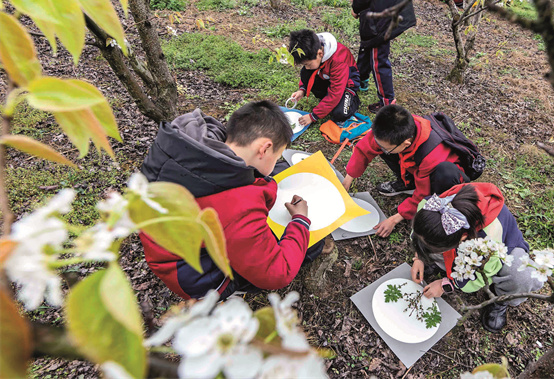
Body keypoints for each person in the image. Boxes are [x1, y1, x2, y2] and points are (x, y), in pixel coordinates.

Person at [139, 102, 323, 301]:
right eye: (276, 156)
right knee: (313, 245)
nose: (276, 161)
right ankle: (228, 291)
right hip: (197, 279)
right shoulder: (239, 206)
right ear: (264, 148)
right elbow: (278, 273)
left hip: (164, 249)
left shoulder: (189, 142)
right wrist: (300, 221)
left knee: (273, 175)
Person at [410, 183, 542, 333]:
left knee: (522, 276)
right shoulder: (435, 208)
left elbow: (479, 275)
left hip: (502, 251)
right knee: (431, 242)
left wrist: (445, 285)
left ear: (463, 238)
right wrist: (419, 257)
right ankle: (442, 263)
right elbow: (419, 233)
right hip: (461, 242)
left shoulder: (488, 240)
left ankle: (501, 300)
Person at [341, 105, 471, 237]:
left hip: (447, 177)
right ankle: (408, 183)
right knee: (385, 147)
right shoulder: (395, 128)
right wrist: (349, 177)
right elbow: (366, 147)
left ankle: (438, 209)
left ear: (406, 144)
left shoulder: (431, 155)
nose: (380, 148)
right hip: (416, 164)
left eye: (385, 148)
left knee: (443, 175)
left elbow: (422, 194)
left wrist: (395, 219)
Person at [288, 29, 361, 126]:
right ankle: (327, 101)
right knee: (306, 73)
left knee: (340, 114)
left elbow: (335, 92)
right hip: (327, 78)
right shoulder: (312, 49)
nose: (306, 67)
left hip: (346, 84)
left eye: (307, 64)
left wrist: (313, 116)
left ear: (320, 54)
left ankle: (353, 100)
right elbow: (307, 73)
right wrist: (302, 89)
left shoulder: (338, 60)